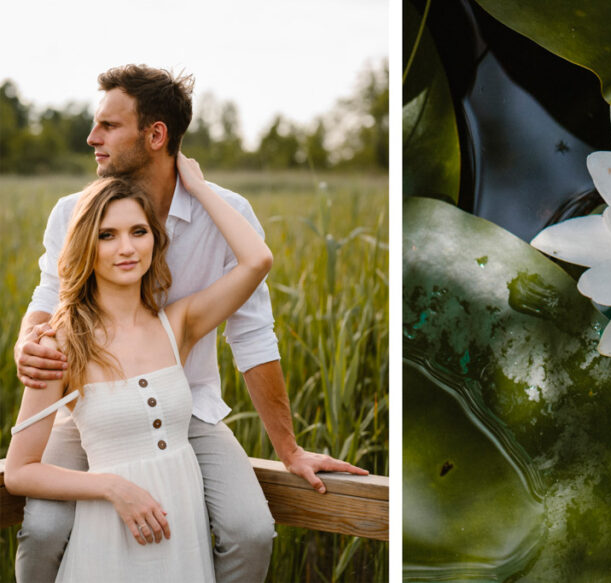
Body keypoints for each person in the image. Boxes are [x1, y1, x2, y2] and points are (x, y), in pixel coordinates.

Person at [10, 65, 366, 582]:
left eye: (108, 125)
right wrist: (29, 343)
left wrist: (288, 450)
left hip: (186, 407)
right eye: (110, 237)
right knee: (43, 531)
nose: (92, 137)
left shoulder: (223, 219)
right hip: (91, 410)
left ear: (156, 135)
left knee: (249, 531)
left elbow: (252, 333)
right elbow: (48, 296)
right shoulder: (74, 212)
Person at [7, 160, 266, 580]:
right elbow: (20, 471)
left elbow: (257, 260)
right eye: (107, 235)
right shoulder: (60, 344)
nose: (126, 248)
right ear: (85, 246)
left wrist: (199, 189)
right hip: (108, 533)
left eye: (138, 232)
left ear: (155, 240)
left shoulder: (178, 325)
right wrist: (112, 487)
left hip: (181, 534)